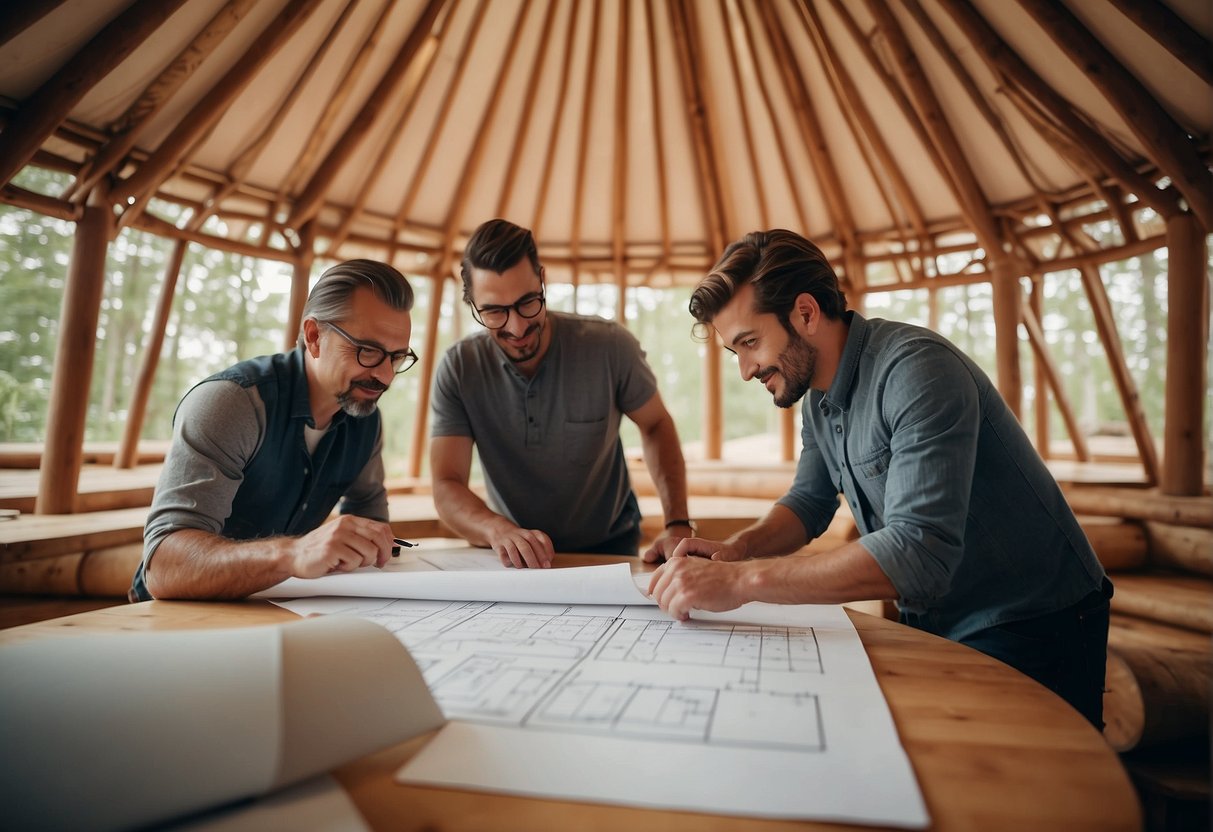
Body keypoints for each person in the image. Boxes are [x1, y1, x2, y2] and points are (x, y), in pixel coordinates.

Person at [647, 229, 1111, 728]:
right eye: (734, 351)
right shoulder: (818, 400)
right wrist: (735, 550)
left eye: (750, 343)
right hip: (937, 620)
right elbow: (808, 502)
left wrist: (742, 581)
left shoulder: (918, 371)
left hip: (1034, 621)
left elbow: (919, 553)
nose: (744, 370)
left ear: (805, 313)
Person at [130, 260, 417, 601]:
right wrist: (293, 554)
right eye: (368, 351)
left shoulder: (365, 417)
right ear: (314, 337)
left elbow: (370, 526)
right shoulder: (232, 404)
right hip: (171, 620)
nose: (385, 376)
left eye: (397, 357)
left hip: (279, 611)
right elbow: (163, 568)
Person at [430, 218, 691, 568]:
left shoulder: (610, 346)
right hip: (510, 552)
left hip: (611, 545)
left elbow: (656, 423)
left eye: (527, 302)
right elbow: (447, 483)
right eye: (494, 312)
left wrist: (677, 523)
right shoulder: (459, 368)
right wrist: (497, 530)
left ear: (542, 279)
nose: (517, 327)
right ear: (472, 303)